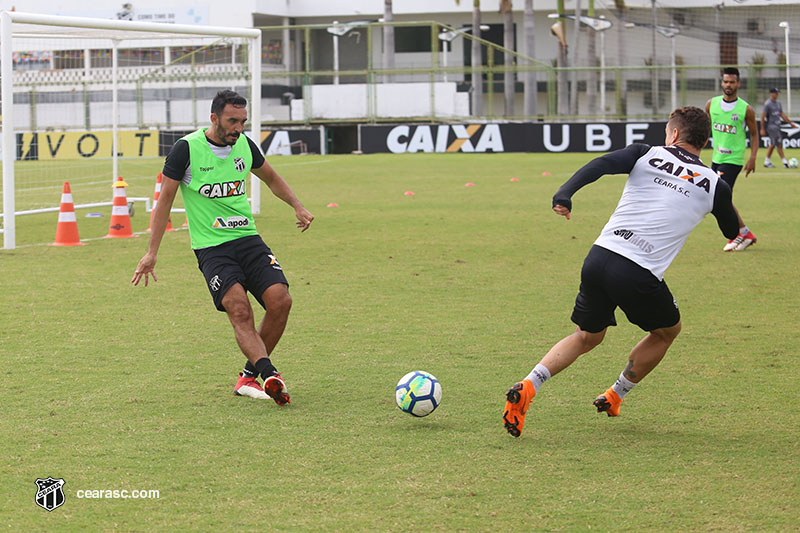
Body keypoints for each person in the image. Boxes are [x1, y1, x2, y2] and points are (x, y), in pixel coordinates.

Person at [502, 106, 738, 438]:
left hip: (599, 257)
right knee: (667, 332)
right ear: (704, 140)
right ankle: (615, 395)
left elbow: (600, 165)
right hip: (637, 272)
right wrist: (720, 196)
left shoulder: (644, 153)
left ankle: (528, 386)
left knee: (587, 336)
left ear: (673, 134)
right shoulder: (715, 184)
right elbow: (731, 232)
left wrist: (564, 194)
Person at [131, 90, 314, 405]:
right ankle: (269, 373)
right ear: (214, 118)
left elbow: (271, 178)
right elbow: (165, 201)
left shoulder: (244, 145)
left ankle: (249, 377)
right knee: (239, 309)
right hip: (212, 248)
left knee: (281, 301)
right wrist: (151, 252)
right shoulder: (186, 150)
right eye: (232, 121)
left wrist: (297, 206)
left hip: (248, 239)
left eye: (243, 121)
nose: (238, 128)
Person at [704, 67, 760, 252]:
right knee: (718, 197)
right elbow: (705, 129)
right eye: (726, 81)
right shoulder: (711, 104)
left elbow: (754, 134)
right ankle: (744, 232)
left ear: (738, 84)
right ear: (722, 82)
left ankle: (738, 235)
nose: (728, 85)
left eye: (732, 82)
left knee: (719, 196)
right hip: (716, 158)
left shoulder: (746, 109)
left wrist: (752, 158)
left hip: (734, 159)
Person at [761, 87, 797, 169]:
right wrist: (762, 128)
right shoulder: (768, 104)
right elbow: (763, 117)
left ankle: (767, 161)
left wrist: (791, 123)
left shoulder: (778, 103)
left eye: (777, 93)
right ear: (771, 93)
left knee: (773, 144)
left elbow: (782, 114)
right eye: (775, 93)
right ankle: (785, 163)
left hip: (777, 126)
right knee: (778, 144)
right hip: (772, 126)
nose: (777, 95)